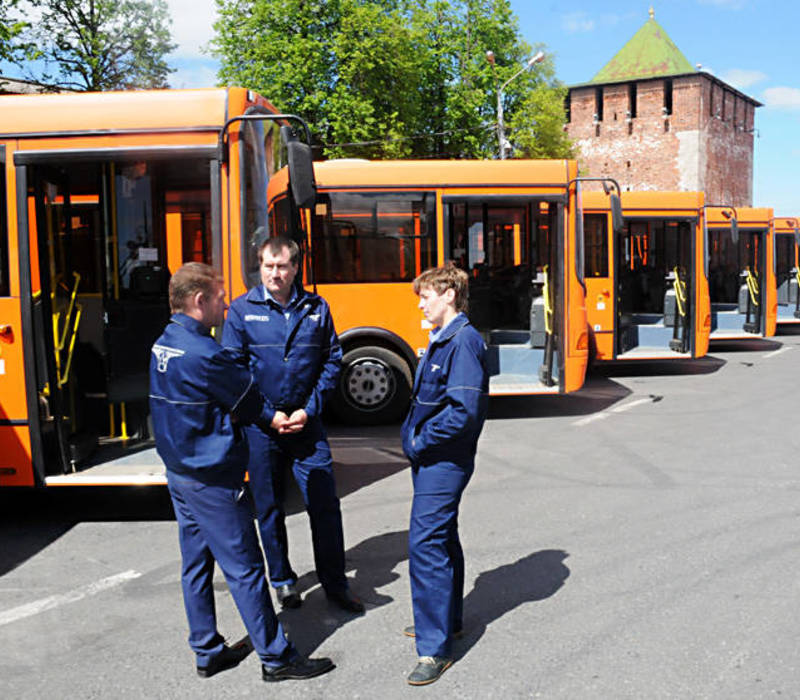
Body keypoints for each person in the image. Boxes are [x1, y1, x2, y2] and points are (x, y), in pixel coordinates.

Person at [149, 262, 334, 683]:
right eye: (218, 297)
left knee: (195, 565)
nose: (225, 305)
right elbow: (249, 402)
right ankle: (276, 657)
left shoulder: (165, 343)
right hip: (212, 478)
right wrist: (278, 420)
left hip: (179, 473)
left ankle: (207, 650)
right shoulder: (205, 354)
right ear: (199, 301)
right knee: (246, 568)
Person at [222, 237, 363, 613]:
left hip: (307, 424)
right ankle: (283, 581)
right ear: (259, 266)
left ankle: (334, 583)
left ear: (295, 268)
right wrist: (268, 415)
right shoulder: (240, 311)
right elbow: (234, 372)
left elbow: (333, 361)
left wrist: (309, 410)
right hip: (261, 427)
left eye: (282, 266)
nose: (275, 273)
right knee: (268, 509)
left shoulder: (316, 308)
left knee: (324, 506)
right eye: (268, 266)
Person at [401, 263, 489, 686]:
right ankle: (445, 619)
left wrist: (420, 441)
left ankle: (434, 648)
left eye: (426, 295)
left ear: (449, 296)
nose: (421, 302)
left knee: (425, 544)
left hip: (443, 459)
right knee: (442, 537)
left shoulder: (463, 342)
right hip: (434, 458)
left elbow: (462, 412)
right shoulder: (444, 338)